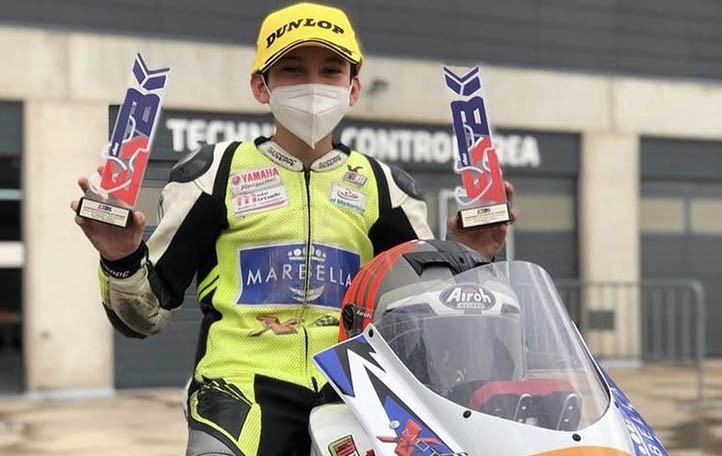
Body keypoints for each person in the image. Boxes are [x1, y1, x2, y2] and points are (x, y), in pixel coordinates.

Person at [71, 2, 516, 455]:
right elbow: (145, 316)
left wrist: (473, 259)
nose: (313, 85)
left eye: (330, 70)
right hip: (238, 386)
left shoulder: (387, 188)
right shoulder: (213, 174)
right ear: (260, 86)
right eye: (292, 69)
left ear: (353, 87)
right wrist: (121, 257)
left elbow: (432, 328)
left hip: (357, 389)